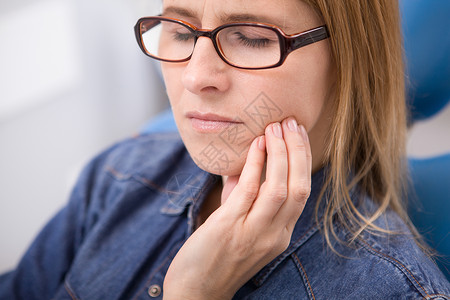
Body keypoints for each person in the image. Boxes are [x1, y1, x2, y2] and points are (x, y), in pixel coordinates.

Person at [1, 0, 449, 299]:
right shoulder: (119, 173)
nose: (196, 77)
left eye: (252, 37)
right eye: (178, 31)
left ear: (350, 56)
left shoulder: (391, 289)